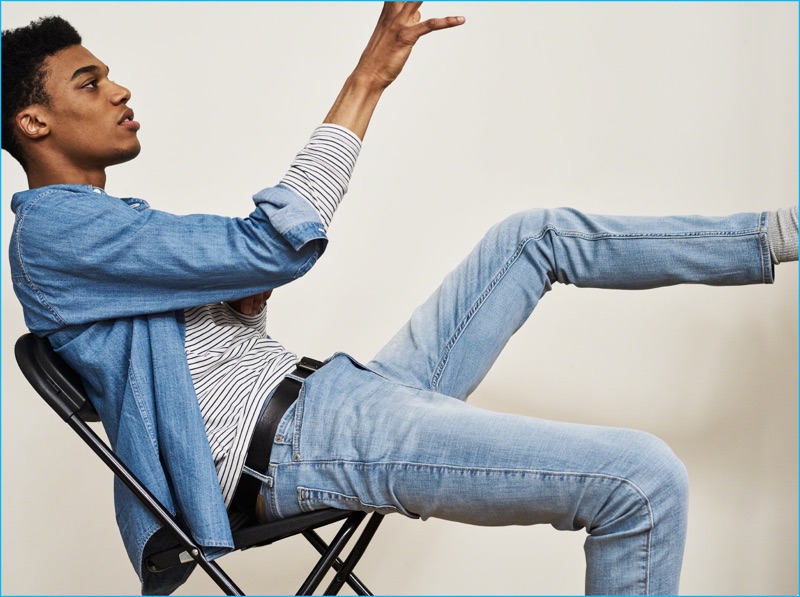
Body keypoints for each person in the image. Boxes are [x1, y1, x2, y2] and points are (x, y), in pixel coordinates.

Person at [3, 4, 797, 595]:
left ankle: (777, 233)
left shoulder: (102, 226)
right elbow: (274, 243)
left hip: (333, 400)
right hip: (302, 439)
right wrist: (368, 76)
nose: (120, 88)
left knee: (534, 236)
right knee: (642, 479)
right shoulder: (57, 230)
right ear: (33, 120)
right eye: (90, 80)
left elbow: (231, 307)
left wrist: (243, 300)